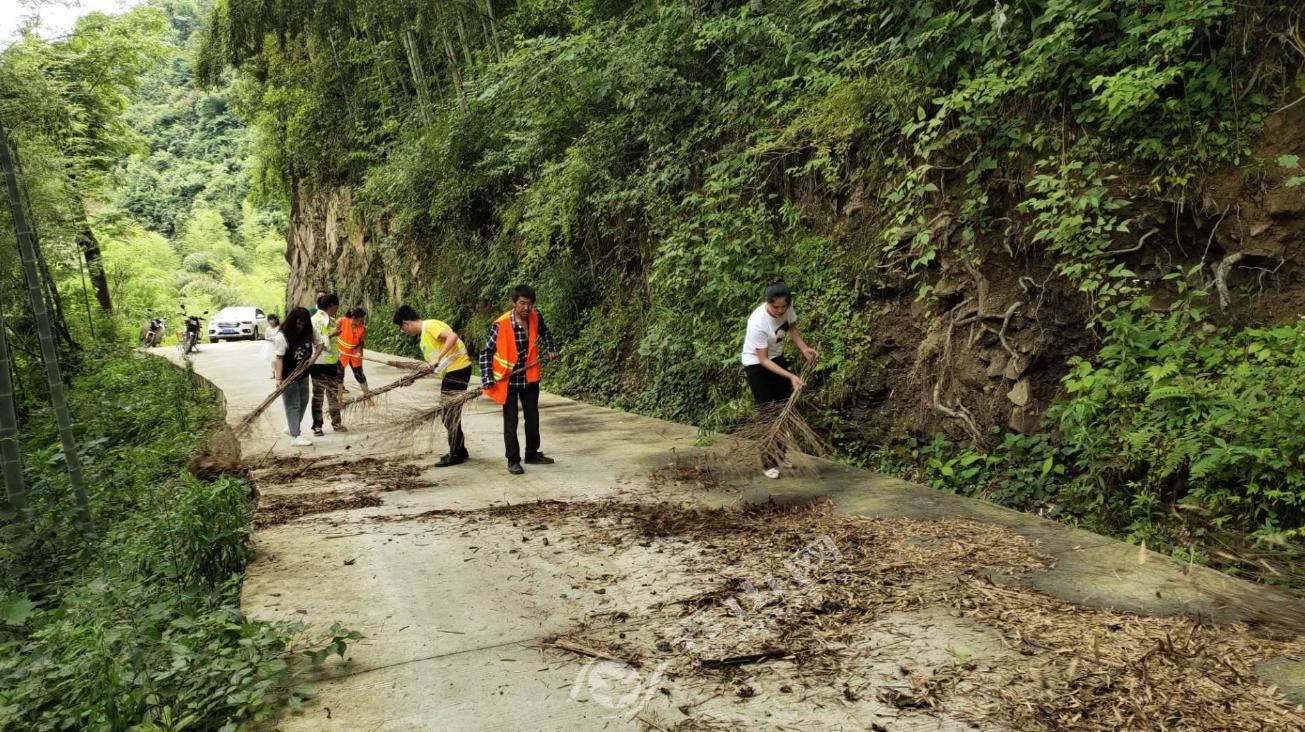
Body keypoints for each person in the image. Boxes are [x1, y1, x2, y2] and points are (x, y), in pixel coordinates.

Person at [740, 277, 818, 479]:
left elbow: (790, 328)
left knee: (785, 409)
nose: (780, 311)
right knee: (769, 414)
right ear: (767, 302)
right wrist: (791, 375)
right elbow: (763, 360)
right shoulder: (757, 322)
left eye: (783, 307)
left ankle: (780, 454)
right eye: (775, 307)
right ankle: (768, 463)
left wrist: (804, 349)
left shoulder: (787, 309)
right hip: (757, 365)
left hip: (777, 359)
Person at [479, 285, 559, 475]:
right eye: (522, 303)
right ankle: (513, 460)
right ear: (514, 303)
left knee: (533, 417)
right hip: (509, 380)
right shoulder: (501, 324)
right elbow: (486, 352)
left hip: (529, 376)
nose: (526, 308)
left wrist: (550, 348)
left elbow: (545, 333)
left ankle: (532, 453)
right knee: (511, 420)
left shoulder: (535, 317)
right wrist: (487, 377)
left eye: (529, 304)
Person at [394, 305, 475, 467]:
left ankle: (456, 453)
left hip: (458, 369)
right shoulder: (424, 336)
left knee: (448, 414)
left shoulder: (429, 326)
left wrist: (437, 357)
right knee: (449, 413)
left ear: (406, 323)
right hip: (452, 371)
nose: (404, 332)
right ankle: (459, 450)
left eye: (402, 328)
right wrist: (414, 377)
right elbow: (434, 364)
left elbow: (452, 337)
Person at [272, 307, 325, 447]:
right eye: (298, 322)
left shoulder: (309, 330)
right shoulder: (282, 336)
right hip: (288, 374)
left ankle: (291, 427)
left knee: (304, 401)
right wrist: (278, 379)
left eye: (303, 323)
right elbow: (279, 358)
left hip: (303, 372)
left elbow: (320, 343)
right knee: (293, 405)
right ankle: (295, 436)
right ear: (292, 321)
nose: (300, 326)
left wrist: (313, 358)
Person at [309, 293, 345, 436]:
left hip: (332, 362)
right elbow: (317, 341)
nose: (337, 310)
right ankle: (317, 426)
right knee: (318, 395)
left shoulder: (331, 320)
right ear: (331, 306)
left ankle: (337, 423)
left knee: (333, 394)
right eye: (336, 307)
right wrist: (332, 335)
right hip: (319, 363)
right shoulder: (315, 320)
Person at [337, 308, 371, 395]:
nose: (362, 321)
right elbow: (331, 334)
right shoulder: (342, 321)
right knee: (339, 376)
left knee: (360, 375)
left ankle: (368, 397)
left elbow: (361, 342)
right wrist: (334, 349)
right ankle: (339, 400)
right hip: (341, 352)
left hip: (354, 353)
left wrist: (359, 353)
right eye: (361, 319)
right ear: (354, 318)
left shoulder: (362, 328)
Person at [262, 313, 282, 380]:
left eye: (272, 320)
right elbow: (266, 337)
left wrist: (274, 338)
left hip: (278, 345)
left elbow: (280, 337)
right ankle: (274, 373)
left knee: (278, 359)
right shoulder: (268, 329)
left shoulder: (279, 328)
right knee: (273, 360)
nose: (270, 321)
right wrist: (269, 339)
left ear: (275, 320)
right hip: (271, 346)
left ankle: (279, 373)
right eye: (269, 320)